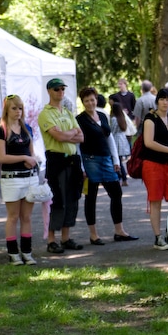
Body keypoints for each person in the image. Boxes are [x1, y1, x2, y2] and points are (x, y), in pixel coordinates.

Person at [76, 87, 138, 246]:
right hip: (90, 160)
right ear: (83, 102)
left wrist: (116, 160)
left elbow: (109, 138)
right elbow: (77, 145)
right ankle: (93, 235)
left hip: (106, 160)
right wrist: (81, 167)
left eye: (92, 99)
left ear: (96, 99)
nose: (90, 103)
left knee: (116, 193)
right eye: (86, 100)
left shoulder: (103, 116)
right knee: (91, 197)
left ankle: (119, 231)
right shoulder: (79, 119)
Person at [38, 78, 84, 254]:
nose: (61, 92)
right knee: (57, 200)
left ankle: (66, 238)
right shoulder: (45, 114)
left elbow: (81, 137)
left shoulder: (67, 112)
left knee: (72, 199)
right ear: (49, 91)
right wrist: (71, 133)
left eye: (62, 89)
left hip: (72, 160)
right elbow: (59, 137)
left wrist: (67, 134)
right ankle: (51, 240)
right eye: (57, 89)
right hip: (57, 160)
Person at [0, 95, 39, 265]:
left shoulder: (27, 128)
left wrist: (32, 160)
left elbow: (32, 153)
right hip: (11, 179)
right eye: (14, 108)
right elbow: (2, 157)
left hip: (30, 178)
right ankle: (13, 253)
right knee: (13, 216)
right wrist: (24, 158)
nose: (18, 111)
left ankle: (27, 252)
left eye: (20, 108)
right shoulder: (1, 131)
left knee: (27, 217)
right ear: (6, 110)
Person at [141, 88, 168, 250]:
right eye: (162, 99)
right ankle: (158, 237)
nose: (165, 102)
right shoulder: (150, 118)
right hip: (153, 164)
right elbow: (148, 142)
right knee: (156, 200)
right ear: (157, 101)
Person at [110, 103, 131, 186]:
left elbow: (112, 130)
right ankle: (123, 179)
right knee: (120, 160)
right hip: (122, 140)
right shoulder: (122, 118)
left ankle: (121, 178)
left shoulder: (113, 119)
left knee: (117, 161)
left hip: (116, 140)